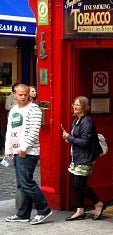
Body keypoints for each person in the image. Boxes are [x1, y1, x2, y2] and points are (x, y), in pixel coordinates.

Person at [4, 84, 53, 225]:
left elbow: (34, 131)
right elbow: (10, 130)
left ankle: (44, 209)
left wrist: (23, 148)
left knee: (26, 183)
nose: (24, 97)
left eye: (26, 94)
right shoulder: (13, 109)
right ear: (14, 94)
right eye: (20, 94)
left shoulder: (34, 109)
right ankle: (23, 214)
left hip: (28, 152)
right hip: (16, 152)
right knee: (21, 184)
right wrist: (8, 149)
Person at [61, 96, 105, 221]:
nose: (75, 107)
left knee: (80, 184)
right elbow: (77, 140)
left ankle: (98, 203)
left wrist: (69, 137)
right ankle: (80, 210)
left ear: (85, 107)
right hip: (77, 156)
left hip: (86, 157)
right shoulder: (76, 121)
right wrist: (69, 139)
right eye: (74, 104)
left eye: (78, 105)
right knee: (77, 185)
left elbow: (85, 142)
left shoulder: (87, 121)